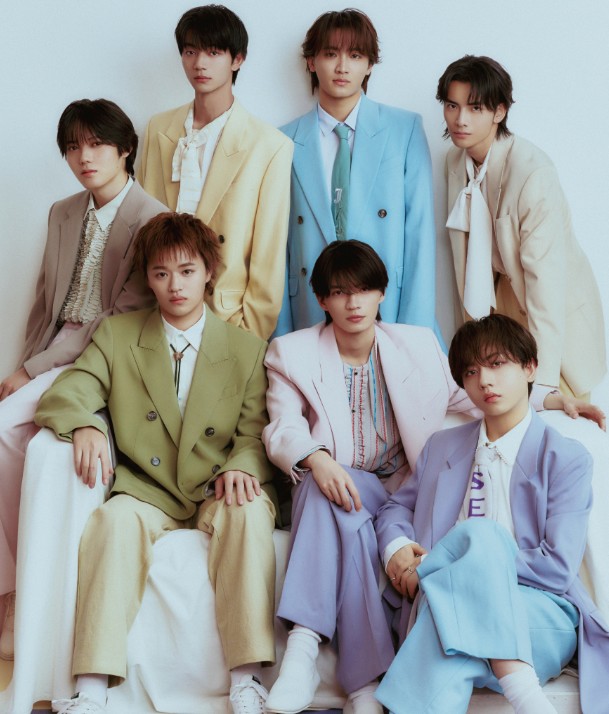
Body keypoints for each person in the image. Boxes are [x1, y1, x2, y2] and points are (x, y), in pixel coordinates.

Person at [261, 240, 592, 714]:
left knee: (478, 548)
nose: (353, 303)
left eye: (363, 290)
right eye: (339, 292)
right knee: (330, 496)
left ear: (382, 293)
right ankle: (308, 647)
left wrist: (554, 398)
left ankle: (367, 686)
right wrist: (319, 460)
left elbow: (472, 392)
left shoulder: (416, 347)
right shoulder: (293, 354)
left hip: (515, 603)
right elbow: (284, 426)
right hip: (349, 486)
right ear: (321, 299)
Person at [34, 212, 277, 714]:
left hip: (218, 485)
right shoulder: (118, 335)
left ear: (209, 272)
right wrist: (84, 423)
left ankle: (247, 679)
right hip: (147, 487)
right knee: (111, 521)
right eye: (161, 273)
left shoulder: (247, 349)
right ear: (147, 277)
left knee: (249, 511)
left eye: (187, 271)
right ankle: (92, 688)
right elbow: (69, 390)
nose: (175, 286)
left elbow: (255, 432)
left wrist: (243, 466)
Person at [374, 314, 609, 714]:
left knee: (482, 538)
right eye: (471, 371)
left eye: (497, 364)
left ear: (530, 368)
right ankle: (524, 692)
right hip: (444, 606)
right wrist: (397, 546)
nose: (484, 380)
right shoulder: (441, 447)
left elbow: (557, 567)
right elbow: (395, 507)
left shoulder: (565, 458)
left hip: (539, 613)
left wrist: (447, 568)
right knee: (452, 635)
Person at [0, 98, 166, 660]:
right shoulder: (62, 211)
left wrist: (33, 371)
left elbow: (118, 317)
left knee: (5, 430)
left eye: (96, 145)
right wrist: (25, 362)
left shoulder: (153, 218)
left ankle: (18, 592)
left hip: (105, 356)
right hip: (53, 351)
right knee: (15, 435)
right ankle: (15, 587)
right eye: (73, 147)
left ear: (126, 149)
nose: (84, 157)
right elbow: (45, 303)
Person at [438, 54, 606, 398]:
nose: (460, 120)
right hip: (496, 307)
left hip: (547, 311)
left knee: (557, 412)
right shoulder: (454, 161)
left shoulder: (532, 174)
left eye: (475, 108)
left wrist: (544, 384)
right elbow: (465, 261)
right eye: (452, 106)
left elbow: (546, 282)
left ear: (499, 112)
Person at [274, 8, 441, 342]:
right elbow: (276, 248)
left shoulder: (404, 130)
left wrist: (415, 334)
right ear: (311, 62)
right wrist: (282, 336)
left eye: (355, 55)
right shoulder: (283, 140)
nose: (342, 67)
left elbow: (420, 234)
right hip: (310, 307)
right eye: (330, 54)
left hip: (388, 307)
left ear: (370, 64)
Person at [138, 4, 293, 340]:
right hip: (155, 313)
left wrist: (249, 335)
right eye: (190, 52)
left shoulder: (269, 145)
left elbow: (268, 255)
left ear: (237, 59)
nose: (200, 63)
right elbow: (141, 227)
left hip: (226, 318)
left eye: (213, 52)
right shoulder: (158, 129)